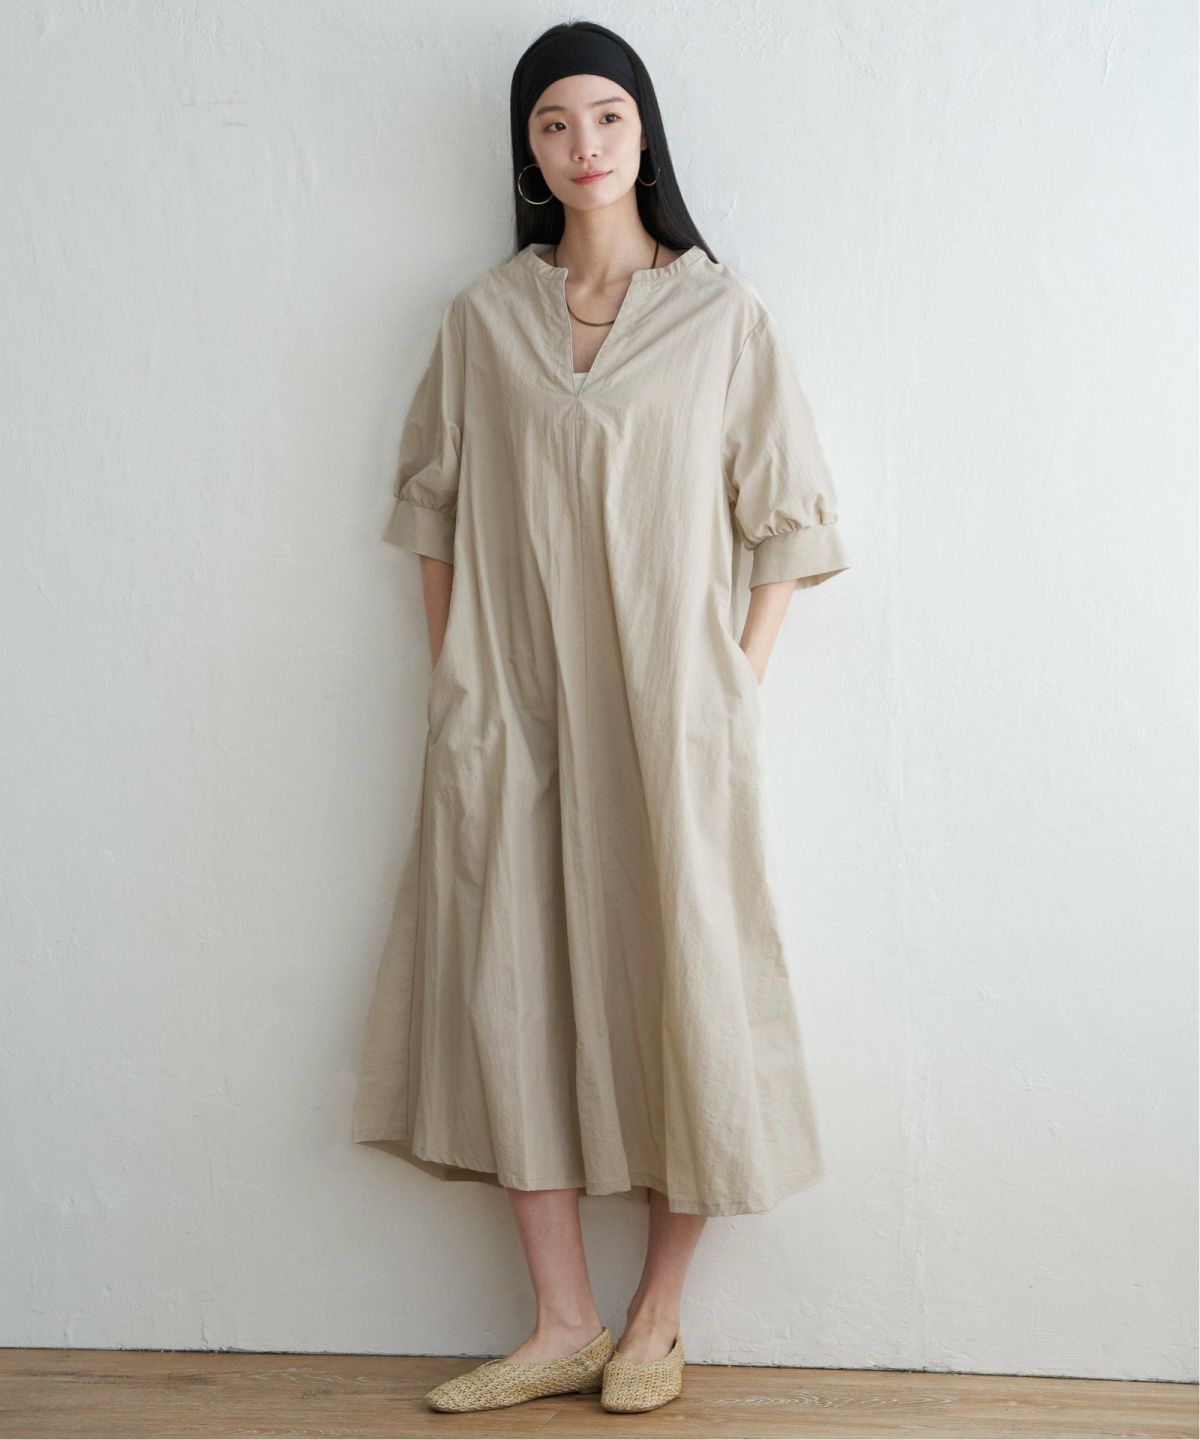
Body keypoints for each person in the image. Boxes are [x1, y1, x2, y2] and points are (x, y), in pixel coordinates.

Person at [352, 19, 851, 1416]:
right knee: (510, 986)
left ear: (646, 133)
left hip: (672, 718)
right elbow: (433, 512)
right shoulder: (482, 320)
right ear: (527, 147)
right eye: (555, 122)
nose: (585, 145)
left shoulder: (722, 318)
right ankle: (560, 1320)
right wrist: (459, 679)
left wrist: (732, 686)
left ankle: (656, 1317)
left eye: (609, 117)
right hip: (505, 715)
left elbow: (788, 526)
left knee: (685, 981)